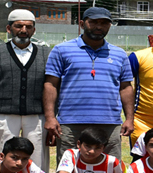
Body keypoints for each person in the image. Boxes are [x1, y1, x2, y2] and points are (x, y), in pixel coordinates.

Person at [44, 7, 135, 163]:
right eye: (93, 22)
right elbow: (50, 85)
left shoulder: (119, 54)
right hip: (70, 123)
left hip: (109, 122)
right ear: (81, 24)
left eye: (104, 23)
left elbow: (126, 87)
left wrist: (129, 119)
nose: (99, 26)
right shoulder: (61, 50)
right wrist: (50, 117)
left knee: (110, 167)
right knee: (68, 168)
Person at [0, 9, 50, 172]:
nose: (23, 30)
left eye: (28, 27)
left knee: (38, 161)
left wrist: (52, 118)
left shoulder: (47, 54)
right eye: (18, 26)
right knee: (0, 158)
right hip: (1, 115)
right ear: (9, 28)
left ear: (34, 30)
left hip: (36, 116)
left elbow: (52, 88)